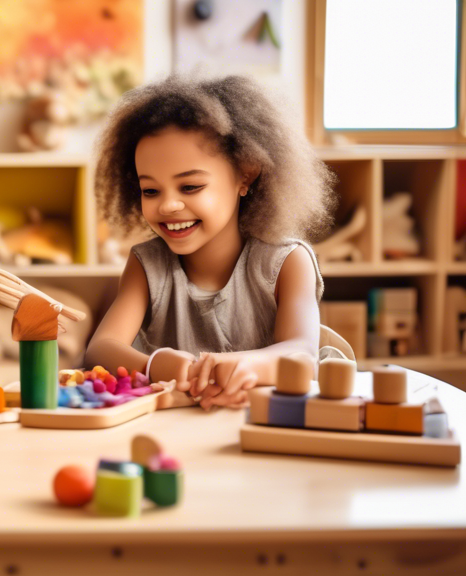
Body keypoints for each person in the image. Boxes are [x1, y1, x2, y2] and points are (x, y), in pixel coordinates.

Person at [86, 75, 336, 410]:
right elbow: (100, 348)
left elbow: (302, 354)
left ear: (245, 175)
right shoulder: (147, 265)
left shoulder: (288, 262)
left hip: (265, 424)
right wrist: (155, 363)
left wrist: (245, 368)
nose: (168, 205)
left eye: (189, 187)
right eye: (150, 190)